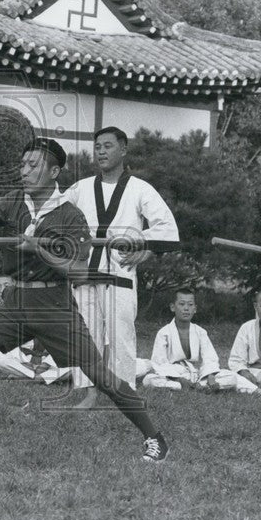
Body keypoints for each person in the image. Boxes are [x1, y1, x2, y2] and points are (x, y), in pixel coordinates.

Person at [0, 138, 168, 463]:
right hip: (15, 303)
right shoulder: (14, 201)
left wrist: (40, 250)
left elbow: (77, 273)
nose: (24, 171)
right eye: (22, 165)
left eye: (33, 166)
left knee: (102, 377)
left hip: (55, 307)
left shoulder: (71, 217)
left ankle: (154, 438)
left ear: (54, 171)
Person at [64, 126, 180, 408]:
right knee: (85, 335)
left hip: (120, 274)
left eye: (107, 146)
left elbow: (167, 228)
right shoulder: (81, 188)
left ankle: (125, 396)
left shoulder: (140, 189)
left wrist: (144, 247)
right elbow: (54, 216)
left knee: (121, 338)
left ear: (123, 149)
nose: (101, 152)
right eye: (97, 147)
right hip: (85, 274)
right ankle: (90, 393)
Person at [137, 288, 236, 391]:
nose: (186, 308)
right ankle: (195, 387)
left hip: (195, 374)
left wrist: (210, 377)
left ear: (195, 309)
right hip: (174, 375)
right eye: (182, 304)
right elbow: (159, 362)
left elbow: (209, 358)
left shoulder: (200, 332)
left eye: (190, 305)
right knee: (149, 380)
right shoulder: (164, 332)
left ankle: (201, 386)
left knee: (232, 377)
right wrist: (179, 379)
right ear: (172, 307)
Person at [0, 274, 71, 384]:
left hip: (44, 359)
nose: (2, 290)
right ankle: (41, 378)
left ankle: (34, 378)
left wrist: (46, 364)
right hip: (19, 360)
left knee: (75, 364)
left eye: (6, 285)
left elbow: (60, 341)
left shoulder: (40, 306)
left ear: (15, 286)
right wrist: (23, 362)